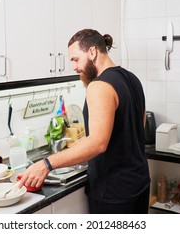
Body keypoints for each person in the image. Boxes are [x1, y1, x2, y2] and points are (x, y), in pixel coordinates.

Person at [18, 28, 150, 214]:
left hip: (114, 193)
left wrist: (46, 164)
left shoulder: (99, 86)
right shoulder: (132, 79)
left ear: (92, 52)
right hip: (139, 184)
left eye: (75, 59)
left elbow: (98, 143)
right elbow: (137, 126)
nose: (74, 67)